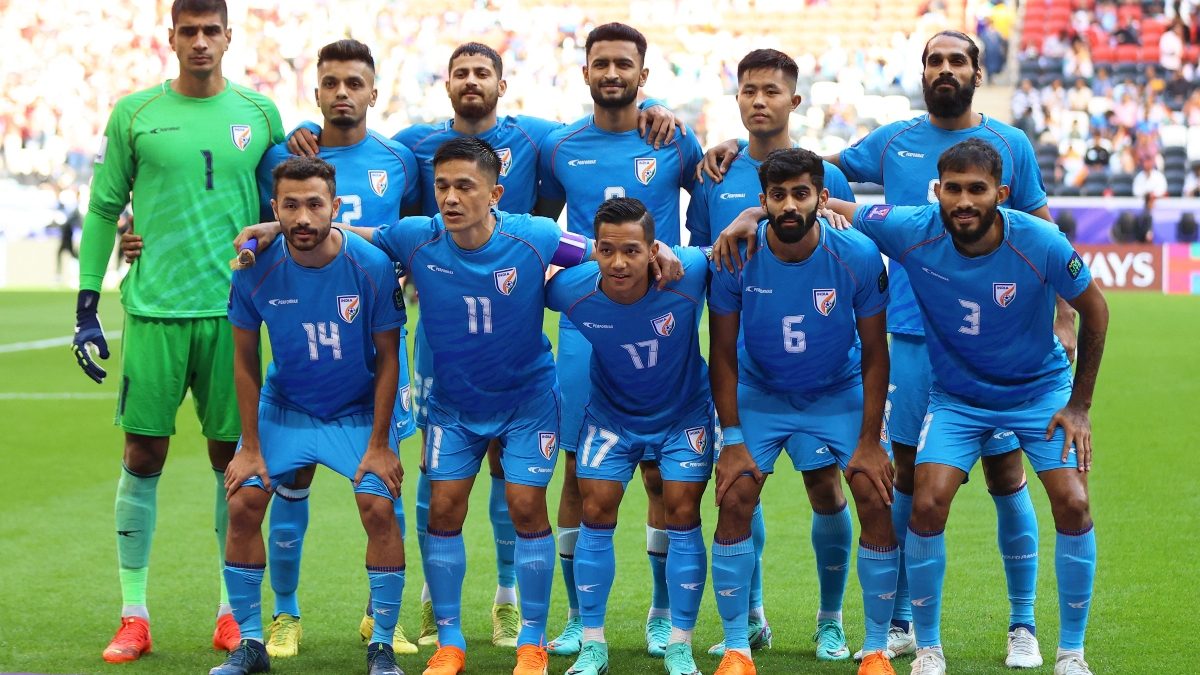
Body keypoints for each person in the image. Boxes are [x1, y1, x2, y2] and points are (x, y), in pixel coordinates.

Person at [290, 42, 680, 648]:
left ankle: (520, 623)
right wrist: (278, 225)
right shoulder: (415, 223)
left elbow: (597, 248)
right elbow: (346, 231)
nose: (449, 197)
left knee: (524, 503)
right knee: (441, 499)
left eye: (464, 187)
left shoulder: (536, 223)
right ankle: (440, 624)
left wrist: (654, 249)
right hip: (450, 390)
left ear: (494, 192)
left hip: (524, 396)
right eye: (442, 186)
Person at [705, 31, 1073, 666]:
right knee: (900, 474)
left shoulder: (1010, 143)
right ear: (922, 72)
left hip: (992, 341)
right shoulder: (892, 140)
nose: (945, 69)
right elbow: (808, 173)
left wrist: (1063, 313)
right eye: (935, 61)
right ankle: (900, 620)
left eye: (957, 60)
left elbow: (1041, 227)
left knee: (1005, 472)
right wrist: (744, 157)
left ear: (977, 71)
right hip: (908, 331)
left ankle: (1023, 624)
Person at [830, 138, 1108, 675]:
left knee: (1073, 502)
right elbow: (828, 204)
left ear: (1000, 194)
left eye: (976, 190)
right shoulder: (911, 228)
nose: (963, 201)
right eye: (952, 189)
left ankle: (1070, 652)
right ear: (937, 190)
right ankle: (928, 649)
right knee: (928, 500)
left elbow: (1096, 312)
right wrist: (751, 214)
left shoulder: (1042, 241)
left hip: (1037, 392)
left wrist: (1080, 406)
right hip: (957, 398)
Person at [71, 0, 283, 662]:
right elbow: (104, 207)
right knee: (142, 455)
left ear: (228, 36)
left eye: (210, 30)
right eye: (188, 31)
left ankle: (231, 612)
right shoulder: (134, 113)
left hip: (233, 316)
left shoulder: (260, 114)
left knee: (233, 462)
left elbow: (285, 204)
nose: (199, 41)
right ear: (171, 37)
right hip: (155, 311)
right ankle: (134, 615)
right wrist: (86, 305)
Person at [536, 21, 705, 659]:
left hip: (660, 317)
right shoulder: (559, 146)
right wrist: (586, 261)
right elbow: (540, 231)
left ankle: (662, 614)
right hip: (589, 322)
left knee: (667, 476)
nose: (612, 73)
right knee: (577, 470)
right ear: (585, 71)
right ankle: (579, 618)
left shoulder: (674, 139)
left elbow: (707, 204)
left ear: (643, 73)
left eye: (623, 64)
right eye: (601, 63)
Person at [684, 47, 857, 660]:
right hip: (745, 362)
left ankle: (831, 620)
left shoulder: (824, 176)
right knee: (741, 487)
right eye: (749, 91)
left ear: (794, 100)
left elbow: (839, 240)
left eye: (772, 91)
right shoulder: (714, 172)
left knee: (825, 486)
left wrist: (755, 213)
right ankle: (751, 616)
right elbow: (703, 257)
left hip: (821, 368)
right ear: (737, 98)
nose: (759, 101)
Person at [256, 38, 421, 657]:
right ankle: (285, 614)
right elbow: (264, 232)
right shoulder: (286, 155)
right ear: (316, 92)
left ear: (374, 92)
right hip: (302, 344)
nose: (343, 93)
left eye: (355, 82)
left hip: (374, 341)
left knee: (383, 484)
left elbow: (411, 235)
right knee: (289, 481)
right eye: (331, 83)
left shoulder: (400, 160)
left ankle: (381, 619)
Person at [213, 156, 407, 675]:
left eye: (315, 204)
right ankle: (250, 643)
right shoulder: (253, 269)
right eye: (291, 205)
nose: (303, 217)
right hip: (287, 407)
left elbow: (389, 358)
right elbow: (245, 360)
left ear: (335, 207)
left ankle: (382, 645)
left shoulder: (370, 265)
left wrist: (380, 444)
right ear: (274, 209)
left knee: (379, 507)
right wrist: (250, 447)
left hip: (356, 411)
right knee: (243, 502)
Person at [706, 148, 896, 675]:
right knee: (735, 494)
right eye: (778, 195)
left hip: (837, 392)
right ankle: (738, 648)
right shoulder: (736, 254)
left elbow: (875, 353)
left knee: (872, 493)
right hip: (762, 392)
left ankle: (874, 648)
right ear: (763, 200)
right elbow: (722, 354)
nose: (790, 205)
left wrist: (869, 441)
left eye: (801, 194)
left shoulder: (857, 254)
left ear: (821, 197)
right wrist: (732, 437)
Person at [544, 197, 713, 675]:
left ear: (653, 250)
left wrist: (749, 215)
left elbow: (737, 243)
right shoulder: (571, 290)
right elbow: (526, 254)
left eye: (632, 251)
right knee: (595, 508)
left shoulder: (689, 273)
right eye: (607, 250)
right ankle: (592, 642)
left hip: (683, 416)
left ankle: (678, 642)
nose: (619, 263)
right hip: (612, 419)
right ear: (595, 249)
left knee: (683, 510)